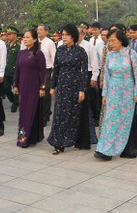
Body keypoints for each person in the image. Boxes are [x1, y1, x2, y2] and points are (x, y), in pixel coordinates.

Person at [95, 29, 137, 160]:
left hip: (128, 92)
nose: (110, 43)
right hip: (113, 91)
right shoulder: (110, 56)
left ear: (121, 40)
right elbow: (107, 76)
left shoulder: (131, 54)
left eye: (113, 41)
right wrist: (104, 94)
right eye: (109, 41)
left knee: (126, 121)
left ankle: (128, 149)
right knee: (110, 121)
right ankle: (105, 150)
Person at [47, 25, 88, 154]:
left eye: (67, 35)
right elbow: (56, 69)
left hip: (75, 86)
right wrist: (52, 86)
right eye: (63, 35)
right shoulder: (60, 50)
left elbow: (84, 72)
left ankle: (72, 140)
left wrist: (82, 89)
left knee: (72, 114)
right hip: (62, 85)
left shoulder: (80, 51)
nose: (64, 37)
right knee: (59, 114)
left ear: (73, 36)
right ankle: (58, 143)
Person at [13, 29, 46, 147]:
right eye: (24, 37)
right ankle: (24, 136)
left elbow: (43, 73)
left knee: (31, 111)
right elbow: (17, 70)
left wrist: (42, 88)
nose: (25, 39)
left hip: (34, 87)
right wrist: (15, 84)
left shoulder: (39, 54)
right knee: (23, 112)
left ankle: (28, 138)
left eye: (28, 37)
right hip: (23, 87)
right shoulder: (21, 53)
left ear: (35, 39)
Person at [76, 23, 100, 149]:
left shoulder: (89, 46)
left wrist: (94, 77)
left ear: (83, 34)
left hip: (87, 74)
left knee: (89, 101)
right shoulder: (70, 46)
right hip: (74, 76)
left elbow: (94, 63)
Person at [37, 24, 56, 123]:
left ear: (46, 31)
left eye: (41, 30)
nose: (38, 31)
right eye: (38, 29)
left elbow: (54, 58)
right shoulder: (35, 42)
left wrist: (54, 73)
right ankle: (42, 114)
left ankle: (44, 118)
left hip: (46, 70)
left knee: (45, 94)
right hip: (36, 70)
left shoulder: (50, 43)